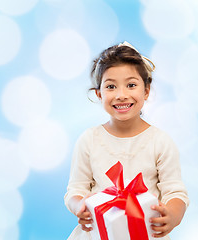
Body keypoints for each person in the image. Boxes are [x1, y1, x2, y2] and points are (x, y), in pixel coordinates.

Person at [64, 41, 189, 240]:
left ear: (146, 91)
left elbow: (175, 193)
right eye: (111, 86)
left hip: (147, 232)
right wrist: (79, 205)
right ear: (99, 93)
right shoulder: (89, 140)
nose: (121, 95)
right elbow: (75, 190)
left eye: (131, 85)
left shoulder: (160, 141)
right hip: (98, 233)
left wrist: (172, 215)